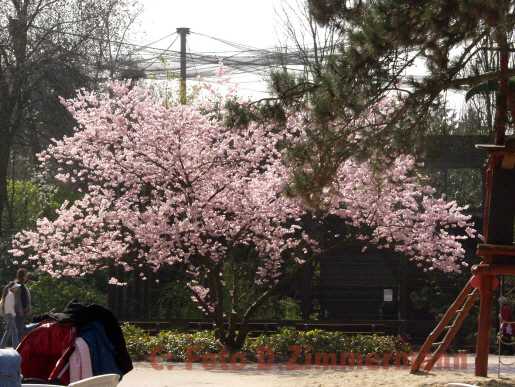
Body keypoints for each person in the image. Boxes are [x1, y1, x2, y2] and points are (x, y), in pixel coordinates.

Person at [0, 282, 20, 349]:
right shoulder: (11, 294)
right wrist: (14, 314)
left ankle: (15, 347)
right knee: (9, 331)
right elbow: (9, 306)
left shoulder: (8, 294)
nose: (17, 287)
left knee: (14, 331)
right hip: (10, 314)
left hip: (7, 314)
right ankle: (2, 346)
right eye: (16, 286)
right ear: (13, 287)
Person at [14, 269, 30, 342]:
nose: (27, 275)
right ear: (23, 276)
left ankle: (16, 344)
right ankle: (16, 344)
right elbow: (17, 299)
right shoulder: (18, 286)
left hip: (23, 310)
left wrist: (27, 309)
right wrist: (20, 309)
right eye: (26, 274)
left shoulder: (23, 286)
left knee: (20, 328)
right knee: (18, 328)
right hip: (20, 311)